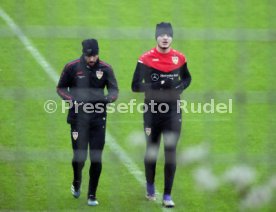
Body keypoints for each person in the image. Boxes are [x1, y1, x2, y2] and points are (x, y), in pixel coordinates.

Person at [131, 22, 191, 208]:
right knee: (152, 151)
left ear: (172, 37)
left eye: (168, 35)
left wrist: (180, 86)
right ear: (156, 37)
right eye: (162, 35)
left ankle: (167, 195)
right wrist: (155, 86)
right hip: (152, 112)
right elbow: (135, 85)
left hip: (173, 112)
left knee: (171, 153)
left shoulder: (179, 58)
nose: (165, 38)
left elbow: (187, 78)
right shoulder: (145, 59)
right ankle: (150, 187)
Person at [57, 39, 119, 206]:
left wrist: (108, 99)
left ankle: (92, 194)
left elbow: (114, 90)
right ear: (83, 53)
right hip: (78, 119)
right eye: (88, 56)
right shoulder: (72, 67)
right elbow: (60, 88)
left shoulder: (106, 68)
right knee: (80, 157)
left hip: (98, 119)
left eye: (94, 55)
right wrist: (72, 100)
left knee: (96, 158)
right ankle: (77, 180)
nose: (92, 59)